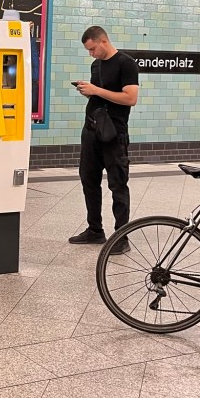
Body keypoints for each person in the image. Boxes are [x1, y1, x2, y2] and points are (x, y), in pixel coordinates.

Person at [69, 26, 139, 254]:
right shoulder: (96, 65)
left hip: (114, 133)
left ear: (103, 41)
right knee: (89, 180)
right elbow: (100, 95)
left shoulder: (126, 63)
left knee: (118, 184)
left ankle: (121, 236)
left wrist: (96, 91)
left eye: (92, 49)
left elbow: (130, 98)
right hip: (92, 130)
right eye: (88, 51)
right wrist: (88, 91)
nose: (91, 54)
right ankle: (95, 230)